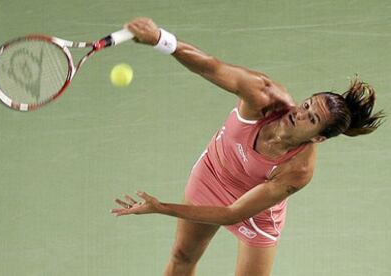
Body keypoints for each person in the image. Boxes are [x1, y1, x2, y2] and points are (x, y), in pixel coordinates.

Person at [111, 18, 384, 276]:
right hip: (213, 175)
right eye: (307, 104)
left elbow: (233, 213)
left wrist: (161, 207)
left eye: (311, 119)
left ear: (317, 138)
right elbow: (212, 66)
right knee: (182, 257)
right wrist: (161, 38)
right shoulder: (264, 97)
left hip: (256, 212)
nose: (300, 113)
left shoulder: (298, 170)